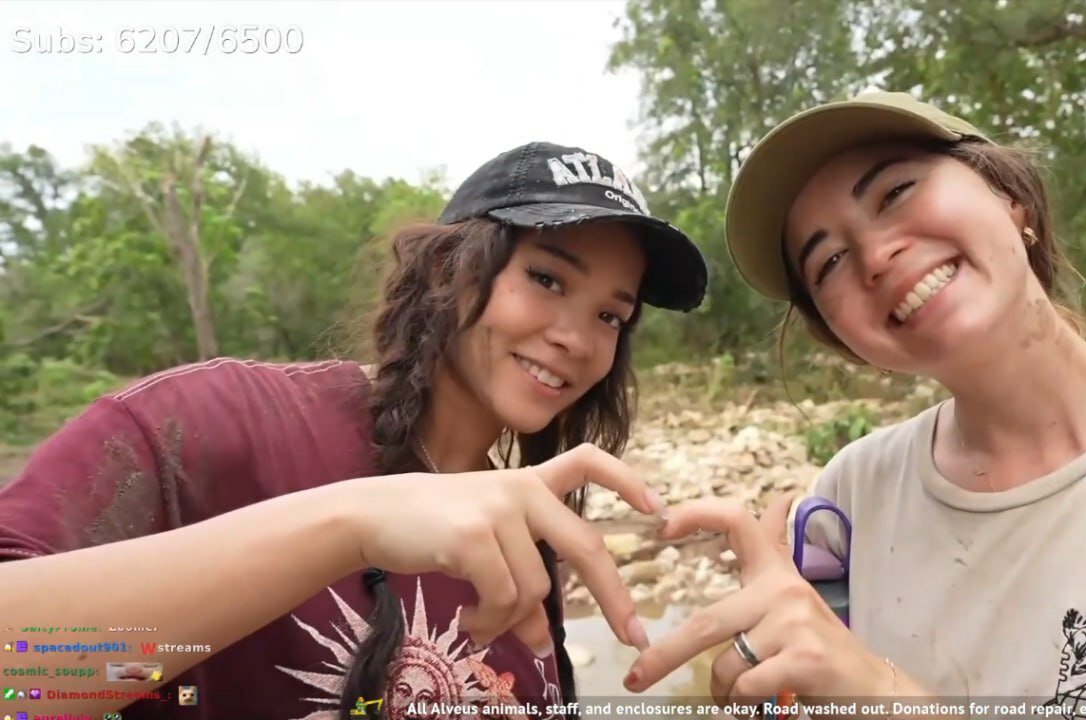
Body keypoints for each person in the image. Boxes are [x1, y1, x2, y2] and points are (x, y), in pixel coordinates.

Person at [620, 92, 1086, 717]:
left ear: (1011, 199)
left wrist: (879, 694)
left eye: (896, 192)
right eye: (829, 263)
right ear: (844, 337)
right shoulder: (850, 499)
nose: (876, 256)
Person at [0, 141, 709, 719]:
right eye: (548, 279)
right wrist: (353, 524)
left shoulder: (523, 541)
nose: (575, 338)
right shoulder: (216, 423)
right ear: (451, 267)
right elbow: (18, 677)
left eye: (610, 316)